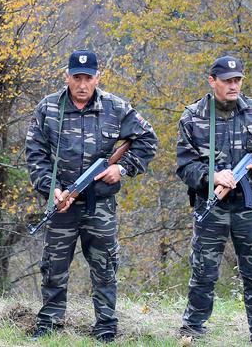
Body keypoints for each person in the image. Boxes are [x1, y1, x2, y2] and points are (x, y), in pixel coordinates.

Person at [25, 49, 159, 343]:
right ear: (67, 77)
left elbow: (148, 140)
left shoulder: (116, 107)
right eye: (77, 77)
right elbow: (35, 155)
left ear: (98, 77)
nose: (82, 84)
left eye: (88, 78)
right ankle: (49, 323)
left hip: (100, 205)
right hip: (62, 205)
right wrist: (51, 188)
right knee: (54, 266)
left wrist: (121, 169)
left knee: (105, 266)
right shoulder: (48, 108)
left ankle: (106, 326)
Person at [176, 55, 252, 345]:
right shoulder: (193, 116)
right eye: (227, 81)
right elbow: (184, 166)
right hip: (211, 206)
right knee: (204, 270)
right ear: (212, 81)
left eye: (238, 80)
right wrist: (213, 177)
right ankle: (193, 329)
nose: (233, 86)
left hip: (248, 205)